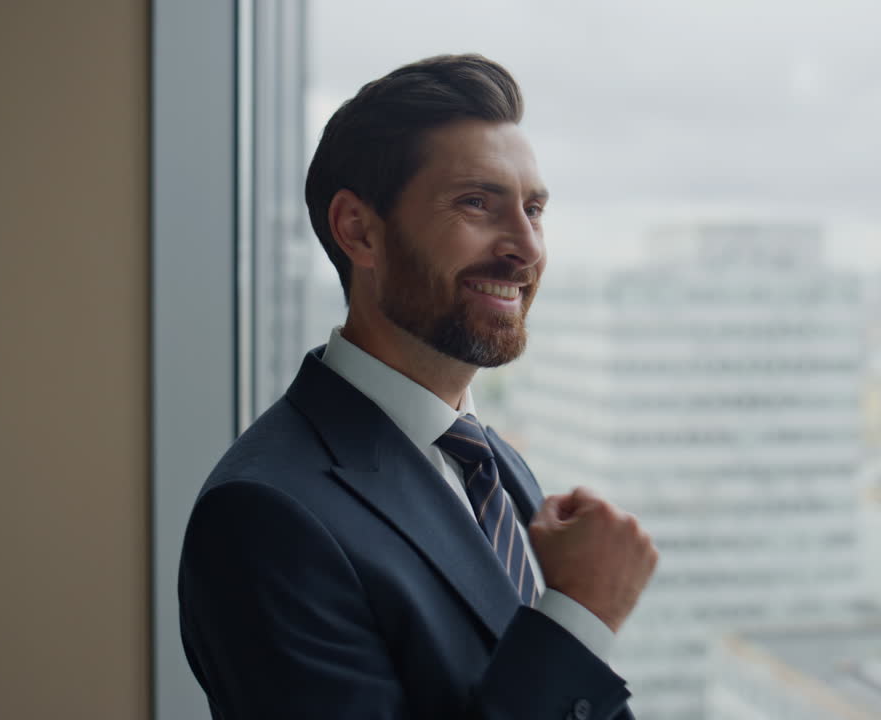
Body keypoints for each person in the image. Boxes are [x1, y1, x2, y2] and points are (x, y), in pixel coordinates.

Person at [178, 53, 658, 720]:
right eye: (476, 203)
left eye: (534, 209)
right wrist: (579, 616)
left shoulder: (490, 463)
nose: (527, 247)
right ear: (359, 231)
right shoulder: (263, 517)